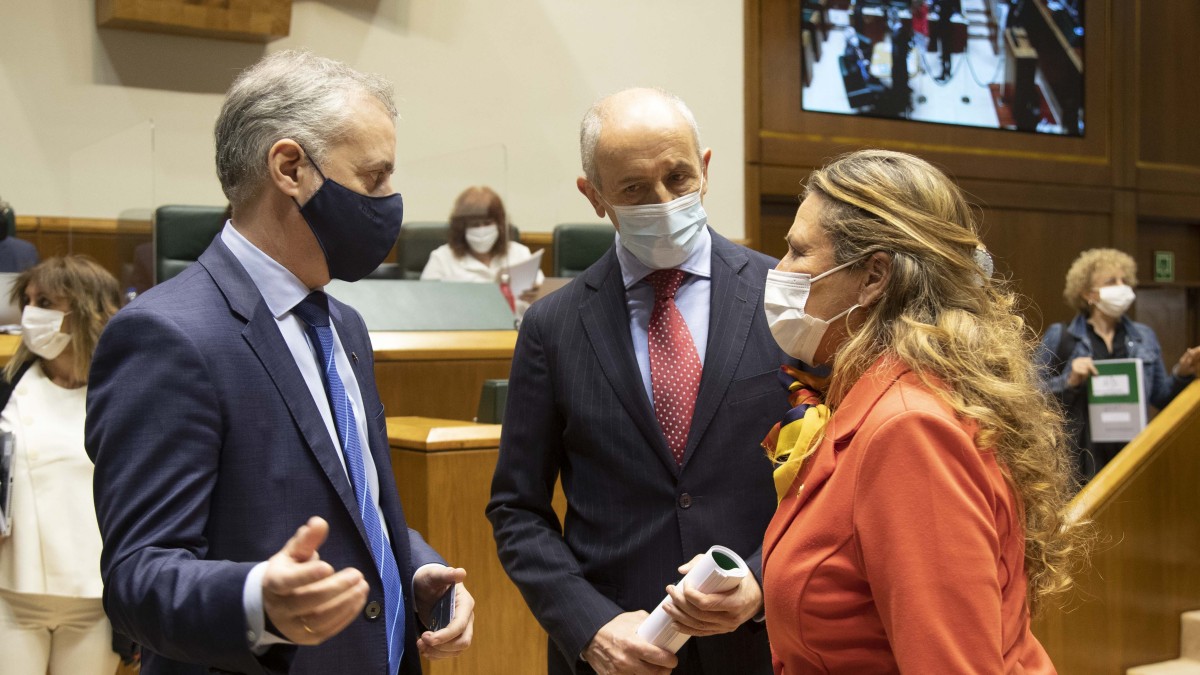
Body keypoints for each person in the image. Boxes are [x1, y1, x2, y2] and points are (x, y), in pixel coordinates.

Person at [85, 50, 475, 675]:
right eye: (374, 178)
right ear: (290, 167)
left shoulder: (343, 324)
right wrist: (255, 603)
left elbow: (359, 505)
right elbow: (137, 578)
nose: (390, 200)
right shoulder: (165, 335)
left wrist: (417, 564)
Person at [487, 87, 792, 675]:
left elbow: (835, 479)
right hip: (617, 653)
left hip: (765, 645)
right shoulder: (553, 325)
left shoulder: (783, 297)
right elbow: (517, 509)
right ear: (594, 196)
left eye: (678, 177)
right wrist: (588, 624)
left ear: (704, 170)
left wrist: (761, 578)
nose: (662, 200)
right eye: (632, 189)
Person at [760, 149, 1085, 672]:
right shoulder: (875, 397)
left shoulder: (909, 429)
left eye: (798, 252)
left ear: (873, 277)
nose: (779, 270)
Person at [0, 256, 121, 675]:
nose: (31, 314)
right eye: (28, 300)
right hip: (10, 597)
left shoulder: (124, 395)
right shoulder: (8, 389)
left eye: (47, 302)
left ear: (86, 311)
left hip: (96, 602)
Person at [1039, 248, 1198, 481]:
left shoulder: (1144, 336)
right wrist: (1069, 381)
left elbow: (1161, 396)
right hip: (1079, 464)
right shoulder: (1061, 336)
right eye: (1111, 281)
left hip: (1131, 457)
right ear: (1088, 294)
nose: (1122, 287)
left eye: (1125, 280)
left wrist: (1182, 374)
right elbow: (1029, 397)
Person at [420, 186, 543, 314]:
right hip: (463, 330)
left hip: (516, 330)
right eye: (474, 225)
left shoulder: (520, 253)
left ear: (500, 224)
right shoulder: (442, 258)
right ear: (461, 228)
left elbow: (545, 296)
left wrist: (536, 294)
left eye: (487, 223)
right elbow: (424, 304)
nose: (482, 230)